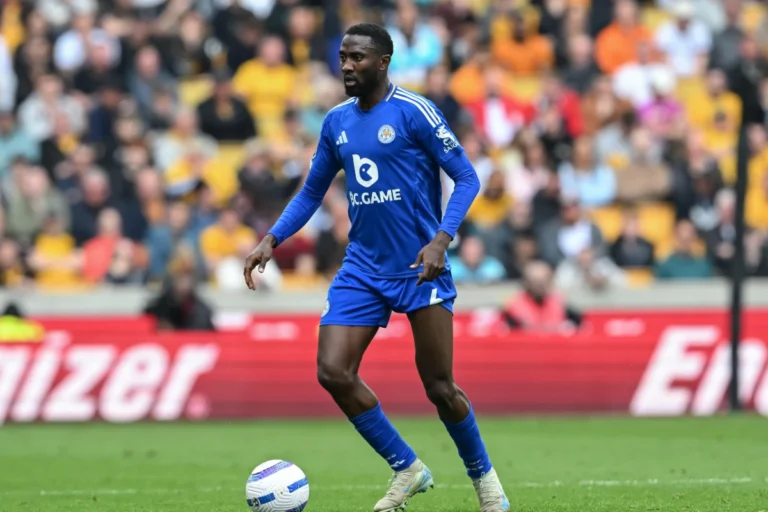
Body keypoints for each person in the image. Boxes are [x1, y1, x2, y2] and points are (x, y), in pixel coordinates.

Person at [243, 23, 509, 512]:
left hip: (419, 266)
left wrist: (441, 240)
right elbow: (311, 191)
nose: (347, 66)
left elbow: (468, 177)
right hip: (363, 267)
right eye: (343, 57)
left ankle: (486, 482)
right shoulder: (336, 122)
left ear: (383, 61)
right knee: (332, 371)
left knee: (439, 387)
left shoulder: (415, 112)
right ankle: (407, 467)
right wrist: (271, 238)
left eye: (357, 58)